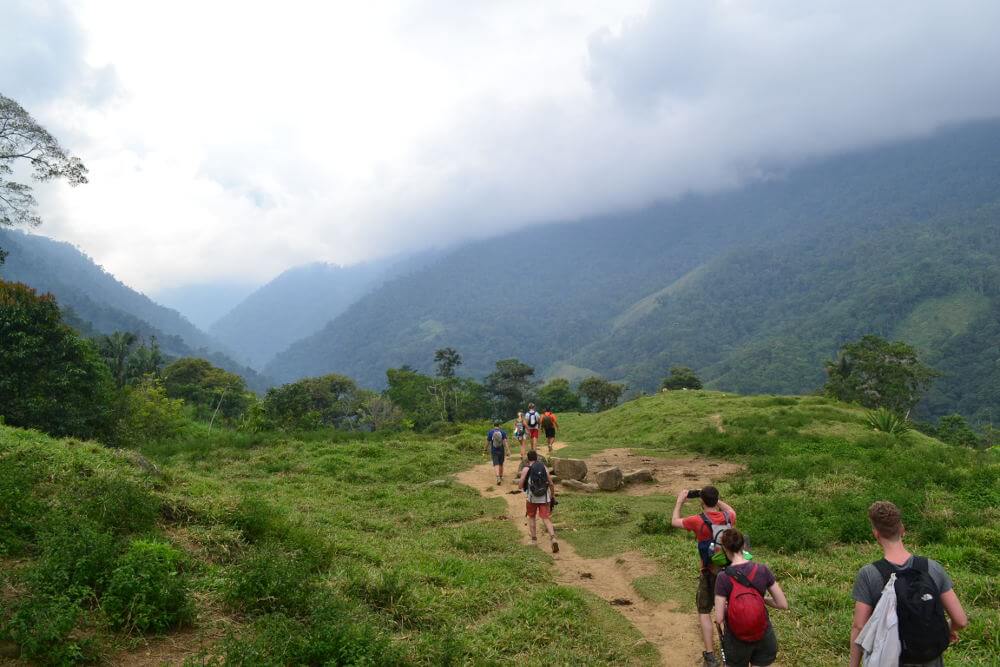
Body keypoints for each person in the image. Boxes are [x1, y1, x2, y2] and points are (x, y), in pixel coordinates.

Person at [849, 501, 968, 667]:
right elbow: (961, 621)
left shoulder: (869, 574)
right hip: (931, 659)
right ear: (902, 530)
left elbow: (859, 626)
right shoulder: (931, 567)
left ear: (876, 534)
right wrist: (945, 629)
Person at [672, 485, 738, 667]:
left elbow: (674, 521)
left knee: (704, 611)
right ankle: (734, 650)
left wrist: (680, 501)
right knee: (728, 610)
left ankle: (710, 655)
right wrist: (715, 500)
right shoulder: (729, 517)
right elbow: (730, 509)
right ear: (716, 500)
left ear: (701, 501)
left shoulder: (697, 520)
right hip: (731, 572)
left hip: (710, 572)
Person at [714, 529, 787, 667]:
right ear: (744, 546)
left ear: (724, 548)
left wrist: (729, 609)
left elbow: (719, 618)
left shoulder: (723, 577)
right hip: (763, 635)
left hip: (736, 640)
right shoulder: (762, 569)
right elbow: (783, 604)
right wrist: (762, 599)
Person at [519, 449, 558, 553]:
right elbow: (550, 483)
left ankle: (534, 540)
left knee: (532, 517)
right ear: (537, 457)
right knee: (546, 518)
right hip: (544, 497)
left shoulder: (526, 469)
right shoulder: (543, 467)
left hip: (532, 498)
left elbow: (520, 485)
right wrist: (552, 495)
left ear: (528, 458)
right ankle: (553, 538)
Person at [485, 420, 510, 485]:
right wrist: (507, 450)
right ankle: (501, 476)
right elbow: (505, 442)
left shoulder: (490, 432)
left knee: (496, 464)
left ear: (494, 425)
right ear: (499, 425)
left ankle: (498, 477)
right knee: (501, 463)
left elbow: (487, 442)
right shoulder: (503, 432)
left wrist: (485, 449)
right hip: (501, 450)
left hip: (494, 450)